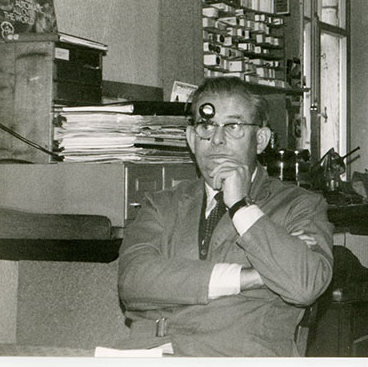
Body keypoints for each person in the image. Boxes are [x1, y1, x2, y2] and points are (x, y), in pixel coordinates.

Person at [117, 77, 334, 356]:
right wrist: (251, 277)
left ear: (260, 140)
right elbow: (133, 282)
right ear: (192, 139)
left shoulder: (299, 206)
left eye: (233, 126)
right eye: (206, 126)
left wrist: (241, 206)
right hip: (148, 353)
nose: (217, 139)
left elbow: (304, 285)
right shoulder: (161, 205)